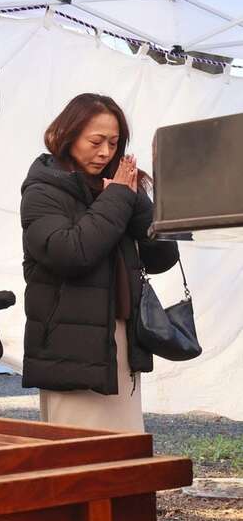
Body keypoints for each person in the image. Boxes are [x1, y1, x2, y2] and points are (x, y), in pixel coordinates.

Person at [20, 93, 178, 432]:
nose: (105, 152)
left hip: (121, 337)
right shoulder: (43, 191)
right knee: (80, 459)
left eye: (114, 142)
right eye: (96, 141)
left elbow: (164, 257)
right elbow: (73, 253)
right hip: (69, 345)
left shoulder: (121, 187)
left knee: (122, 452)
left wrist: (136, 201)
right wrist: (119, 198)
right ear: (67, 135)